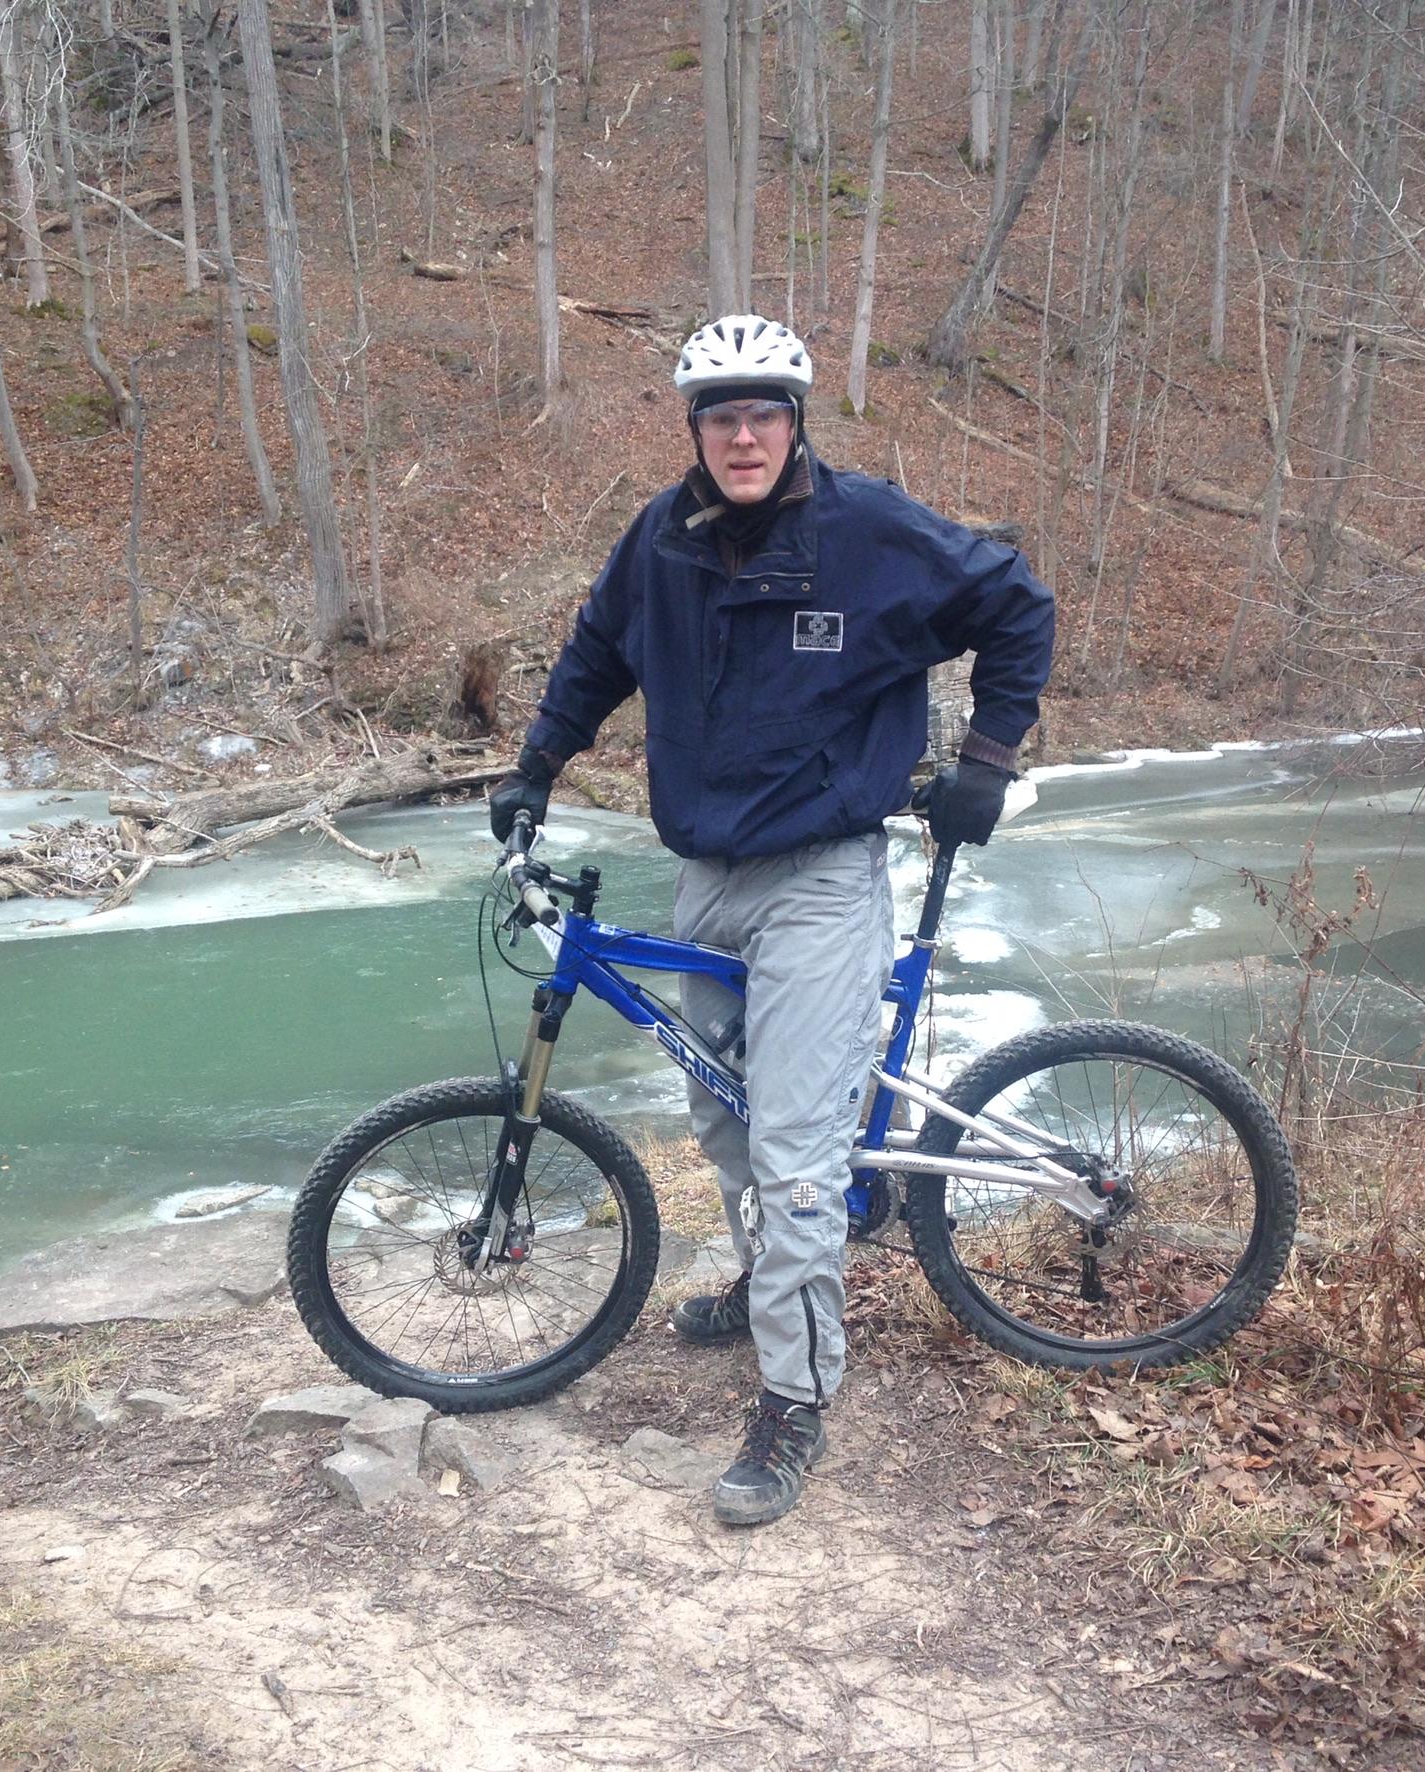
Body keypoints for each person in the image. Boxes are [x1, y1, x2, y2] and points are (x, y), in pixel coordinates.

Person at [490, 314, 1054, 1527]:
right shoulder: (662, 539)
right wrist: (535, 765)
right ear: (693, 428)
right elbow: (597, 652)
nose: (742, 436)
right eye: (719, 416)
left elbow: (1016, 602)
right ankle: (767, 1283)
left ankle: (793, 1397)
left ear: (795, 422)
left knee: (798, 1159)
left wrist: (989, 759)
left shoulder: (870, 532)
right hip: (706, 873)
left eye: (763, 415)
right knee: (723, 1111)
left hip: (823, 876)